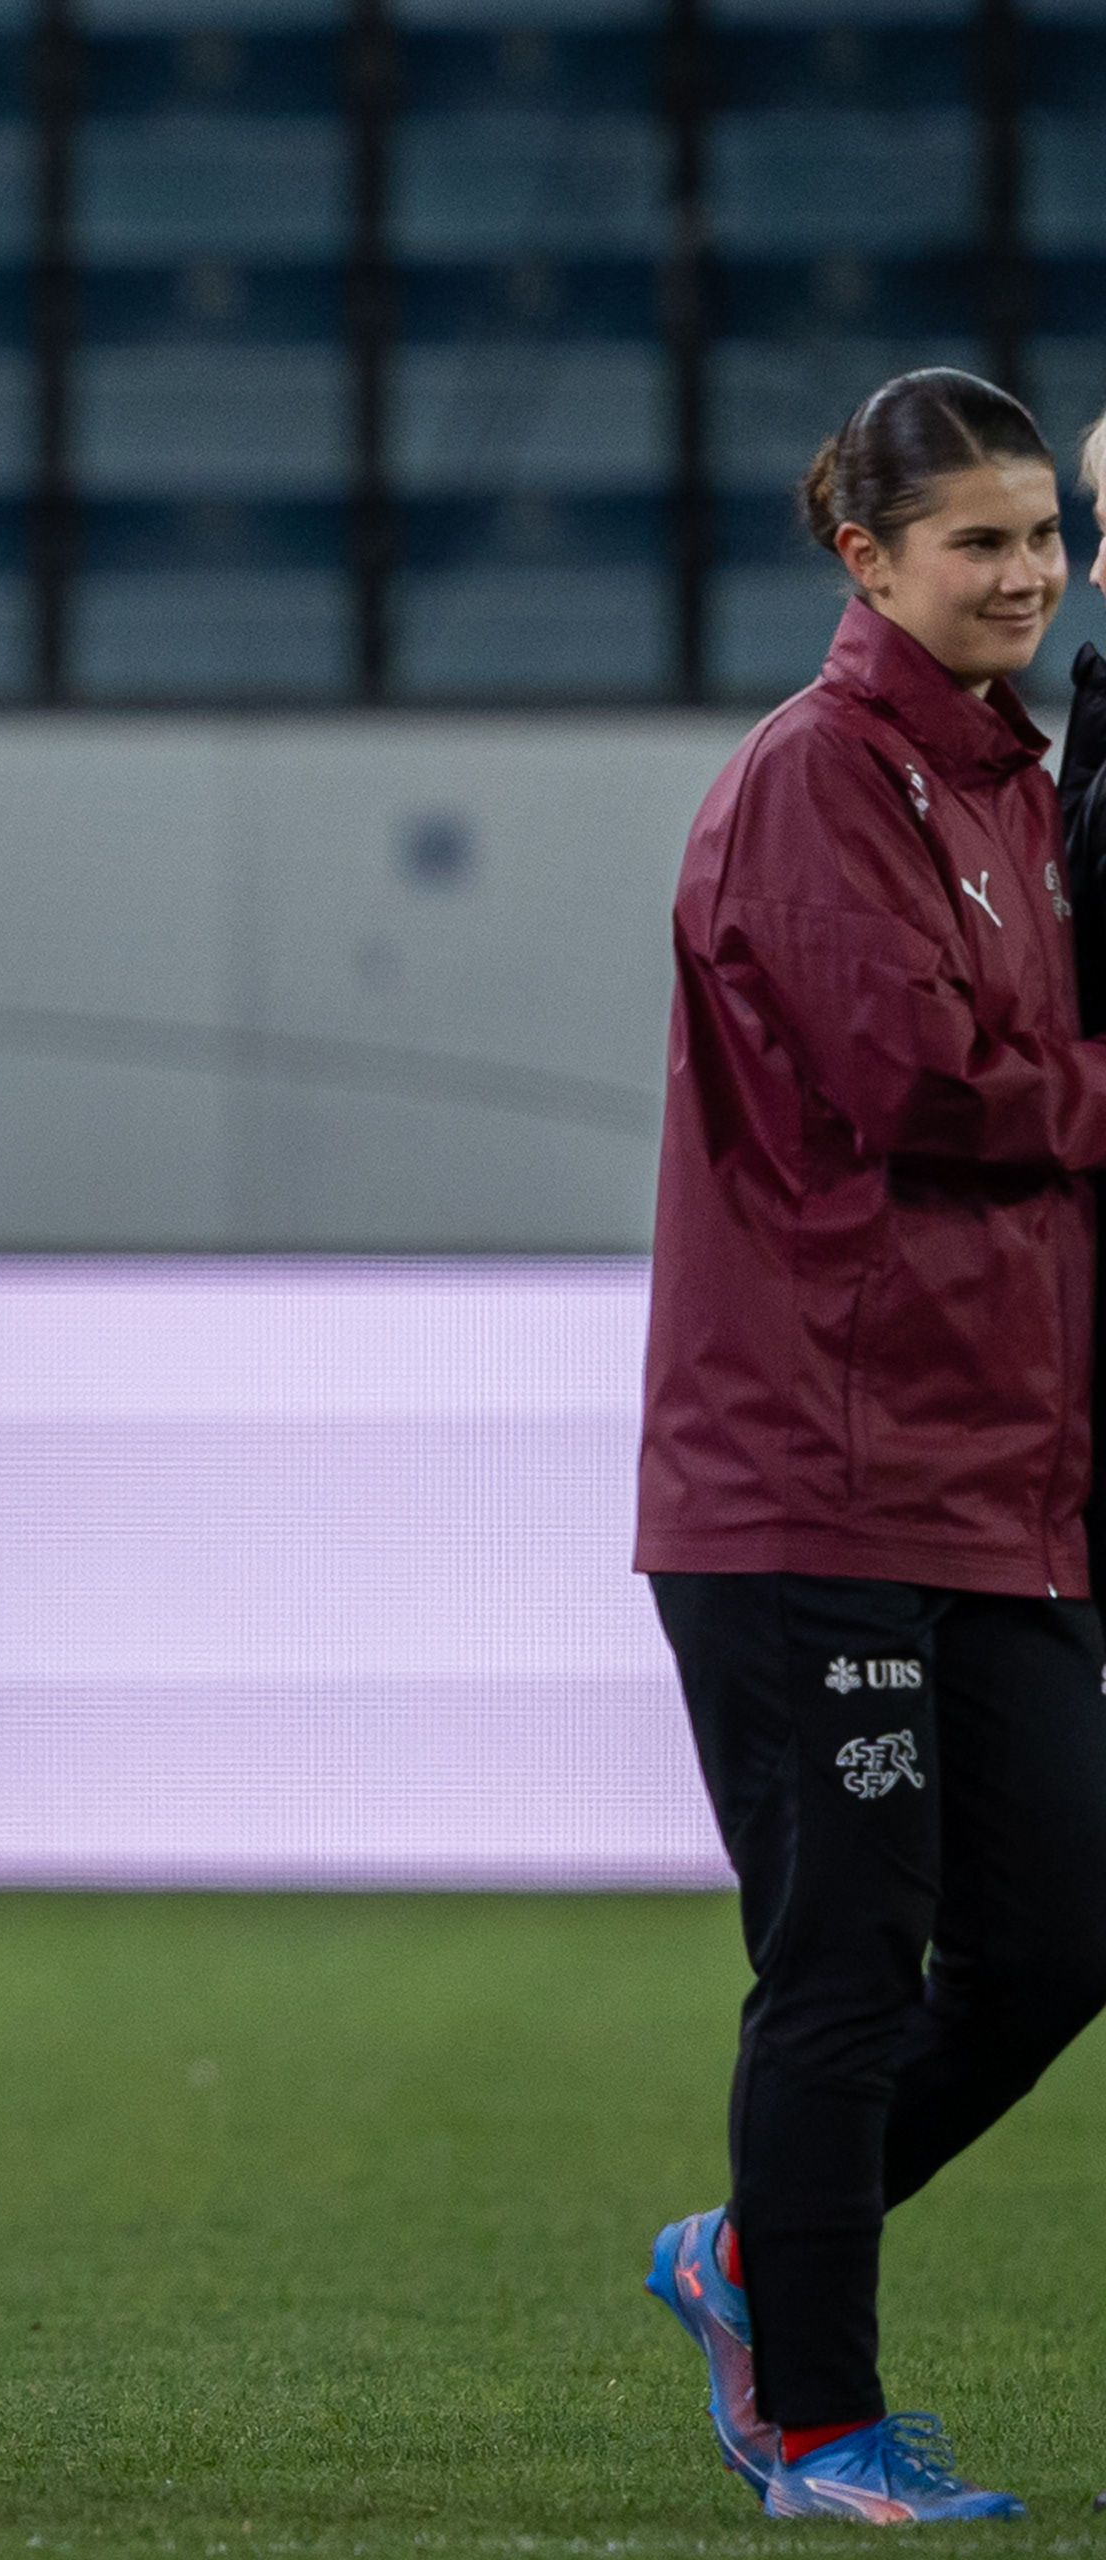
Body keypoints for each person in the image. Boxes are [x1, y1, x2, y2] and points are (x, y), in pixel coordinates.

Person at [636, 366, 1106, 2526]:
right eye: (978, 541)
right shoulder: (819, 774)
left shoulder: (1004, 777)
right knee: (840, 1959)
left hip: (986, 1469)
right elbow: (913, 1081)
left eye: (1044, 537)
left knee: (1060, 1935)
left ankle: (751, 2255)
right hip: (806, 1471)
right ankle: (820, 2423)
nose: (1025, 575)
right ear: (868, 556)